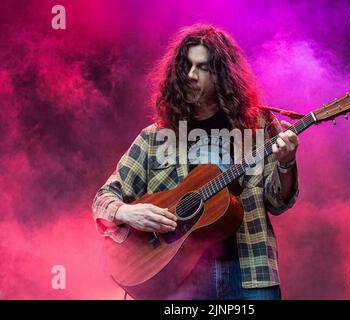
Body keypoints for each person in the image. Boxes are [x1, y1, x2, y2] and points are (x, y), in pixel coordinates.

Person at [92, 24, 299, 300]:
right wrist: (128, 213)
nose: (191, 75)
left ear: (223, 75)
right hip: (177, 275)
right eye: (186, 66)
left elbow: (277, 202)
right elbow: (103, 198)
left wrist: (286, 164)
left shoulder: (260, 125)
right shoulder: (156, 137)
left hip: (249, 269)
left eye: (202, 68)